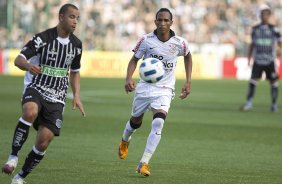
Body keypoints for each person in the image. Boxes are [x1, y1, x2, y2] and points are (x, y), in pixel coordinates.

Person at [2, 4, 86, 184]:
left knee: (43, 141)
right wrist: (28, 66)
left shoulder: (77, 45)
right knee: (30, 112)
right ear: (61, 17)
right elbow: (19, 59)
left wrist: (77, 95)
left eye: (77, 18)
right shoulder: (43, 38)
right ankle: (13, 157)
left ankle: (19, 177)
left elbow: (75, 71)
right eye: (72, 17)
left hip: (57, 97)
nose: (75, 21)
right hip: (37, 87)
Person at [118, 8, 192, 176]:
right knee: (136, 121)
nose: (163, 23)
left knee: (158, 122)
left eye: (166, 20)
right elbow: (134, 60)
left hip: (165, 89)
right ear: (155, 22)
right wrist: (128, 78)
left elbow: (188, 56)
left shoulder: (180, 43)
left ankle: (144, 163)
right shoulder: (146, 40)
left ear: (171, 23)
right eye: (160, 20)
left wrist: (188, 81)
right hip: (144, 87)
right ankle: (125, 140)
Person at [242, 4, 282, 112]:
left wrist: (279, 54)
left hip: (270, 60)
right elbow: (252, 45)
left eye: (265, 14)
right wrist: (249, 58)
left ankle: (274, 105)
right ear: (260, 16)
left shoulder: (274, 30)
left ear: (269, 16)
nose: (263, 16)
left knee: (273, 82)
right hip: (258, 60)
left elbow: (280, 43)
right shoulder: (255, 29)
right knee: (253, 81)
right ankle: (249, 103)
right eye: (262, 14)